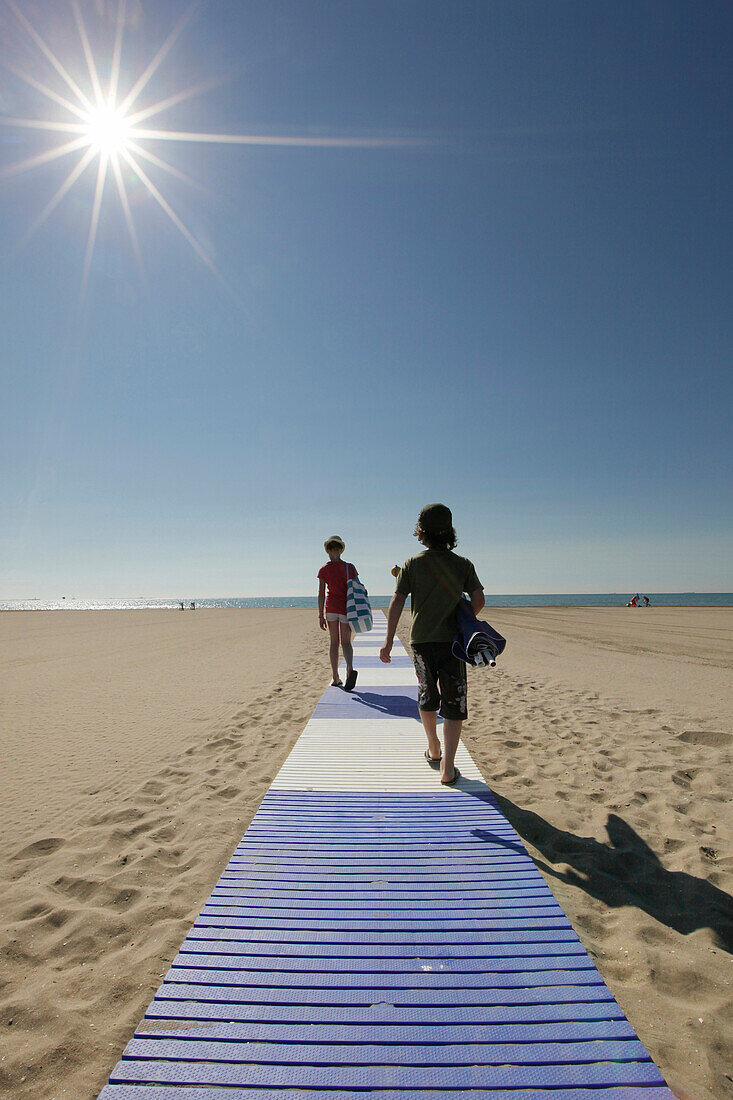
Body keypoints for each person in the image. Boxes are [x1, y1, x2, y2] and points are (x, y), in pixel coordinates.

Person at [380, 503, 484, 786]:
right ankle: (447, 768)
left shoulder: (412, 564)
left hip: (422, 641)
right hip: (454, 643)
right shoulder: (463, 564)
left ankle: (433, 748)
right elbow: (478, 599)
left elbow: (397, 601)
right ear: (449, 532)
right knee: (454, 700)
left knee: (427, 694)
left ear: (421, 532)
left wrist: (389, 640)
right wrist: (464, 620)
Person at [317, 536, 358, 692]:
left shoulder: (324, 569)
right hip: (346, 608)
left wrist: (321, 615)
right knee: (346, 643)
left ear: (327, 550)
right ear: (341, 550)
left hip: (331, 608)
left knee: (334, 642)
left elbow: (321, 594)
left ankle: (335, 677)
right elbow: (357, 588)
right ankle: (349, 668)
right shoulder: (350, 568)